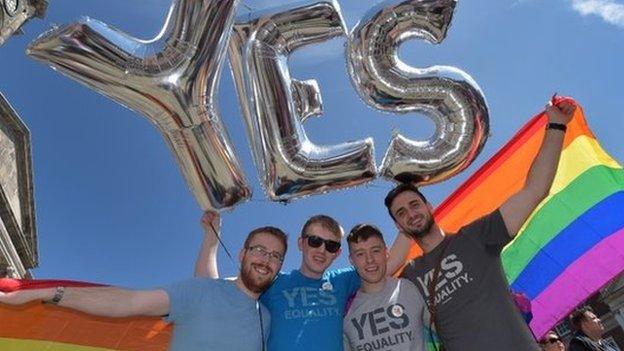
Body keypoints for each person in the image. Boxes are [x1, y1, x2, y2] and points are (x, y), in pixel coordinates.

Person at [383, 98, 576, 350]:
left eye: (414, 205)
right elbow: (375, 278)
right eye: (401, 213)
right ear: (398, 226)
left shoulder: (477, 236)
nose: (411, 213)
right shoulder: (409, 276)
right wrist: (405, 238)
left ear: (429, 207)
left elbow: (535, 190)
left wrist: (557, 126)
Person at [0, 221, 288, 351]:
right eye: (259, 250)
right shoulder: (200, 291)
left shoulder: (268, 317)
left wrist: (210, 240)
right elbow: (128, 302)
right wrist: (50, 292)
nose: (266, 260)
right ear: (242, 254)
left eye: (275, 256)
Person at [196, 214, 412, 351]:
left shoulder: (342, 280)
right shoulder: (273, 281)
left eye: (331, 246)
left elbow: (388, 262)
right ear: (301, 243)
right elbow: (210, 291)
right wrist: (211, 238)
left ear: (337, 254)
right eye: (315, 241)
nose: (321, 250)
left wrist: (407, 218)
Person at [343, 223, 427, 351]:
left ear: (386, 253)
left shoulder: (410, 287)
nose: (369, 259)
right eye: (360, 254)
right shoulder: (345, 310)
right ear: (351, 260)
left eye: (375, 251)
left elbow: (443, 329)